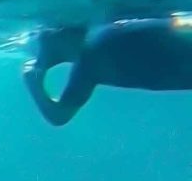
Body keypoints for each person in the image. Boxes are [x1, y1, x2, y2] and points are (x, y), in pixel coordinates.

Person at [23, 17, 192, 126]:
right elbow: (59, 117)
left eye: (43, 40)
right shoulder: (89, 61)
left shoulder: (92, 55)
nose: (40, 53)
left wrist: (33, 83)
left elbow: (58, 117)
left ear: (60, 33)